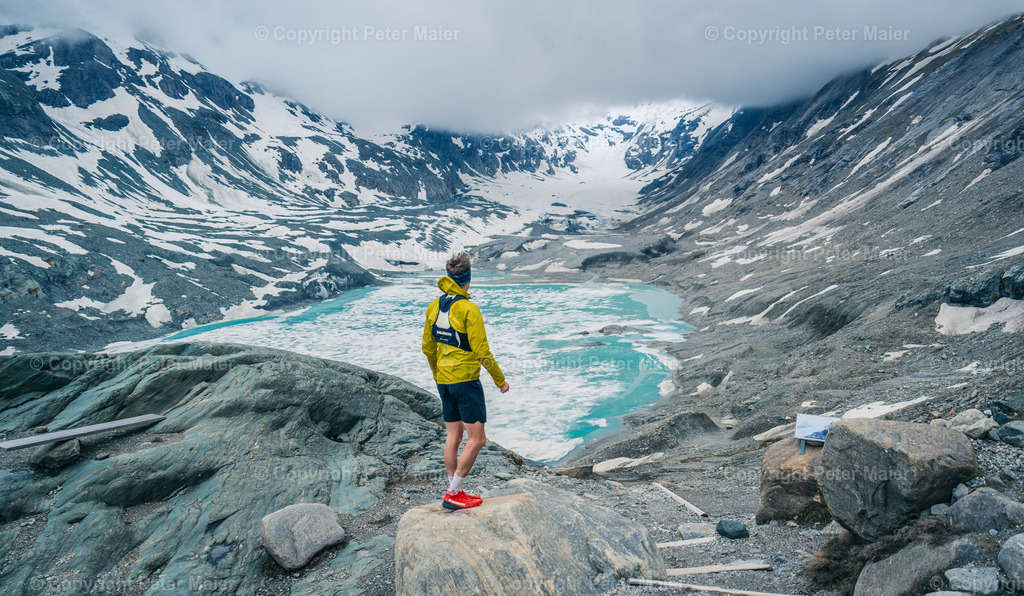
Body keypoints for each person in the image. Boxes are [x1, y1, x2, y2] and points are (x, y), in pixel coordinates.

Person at [421, 252, 510, 510]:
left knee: (454, 435)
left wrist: (438, 374)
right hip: (465, 381)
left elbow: (428, 348)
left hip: (444, 380)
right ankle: (454, 492)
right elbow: (482, 352)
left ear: (450, 276)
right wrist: (500, 381)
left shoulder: (434, 306)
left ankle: (453, 489)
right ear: (468, 278)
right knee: (478, 439)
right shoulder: (469, 309)